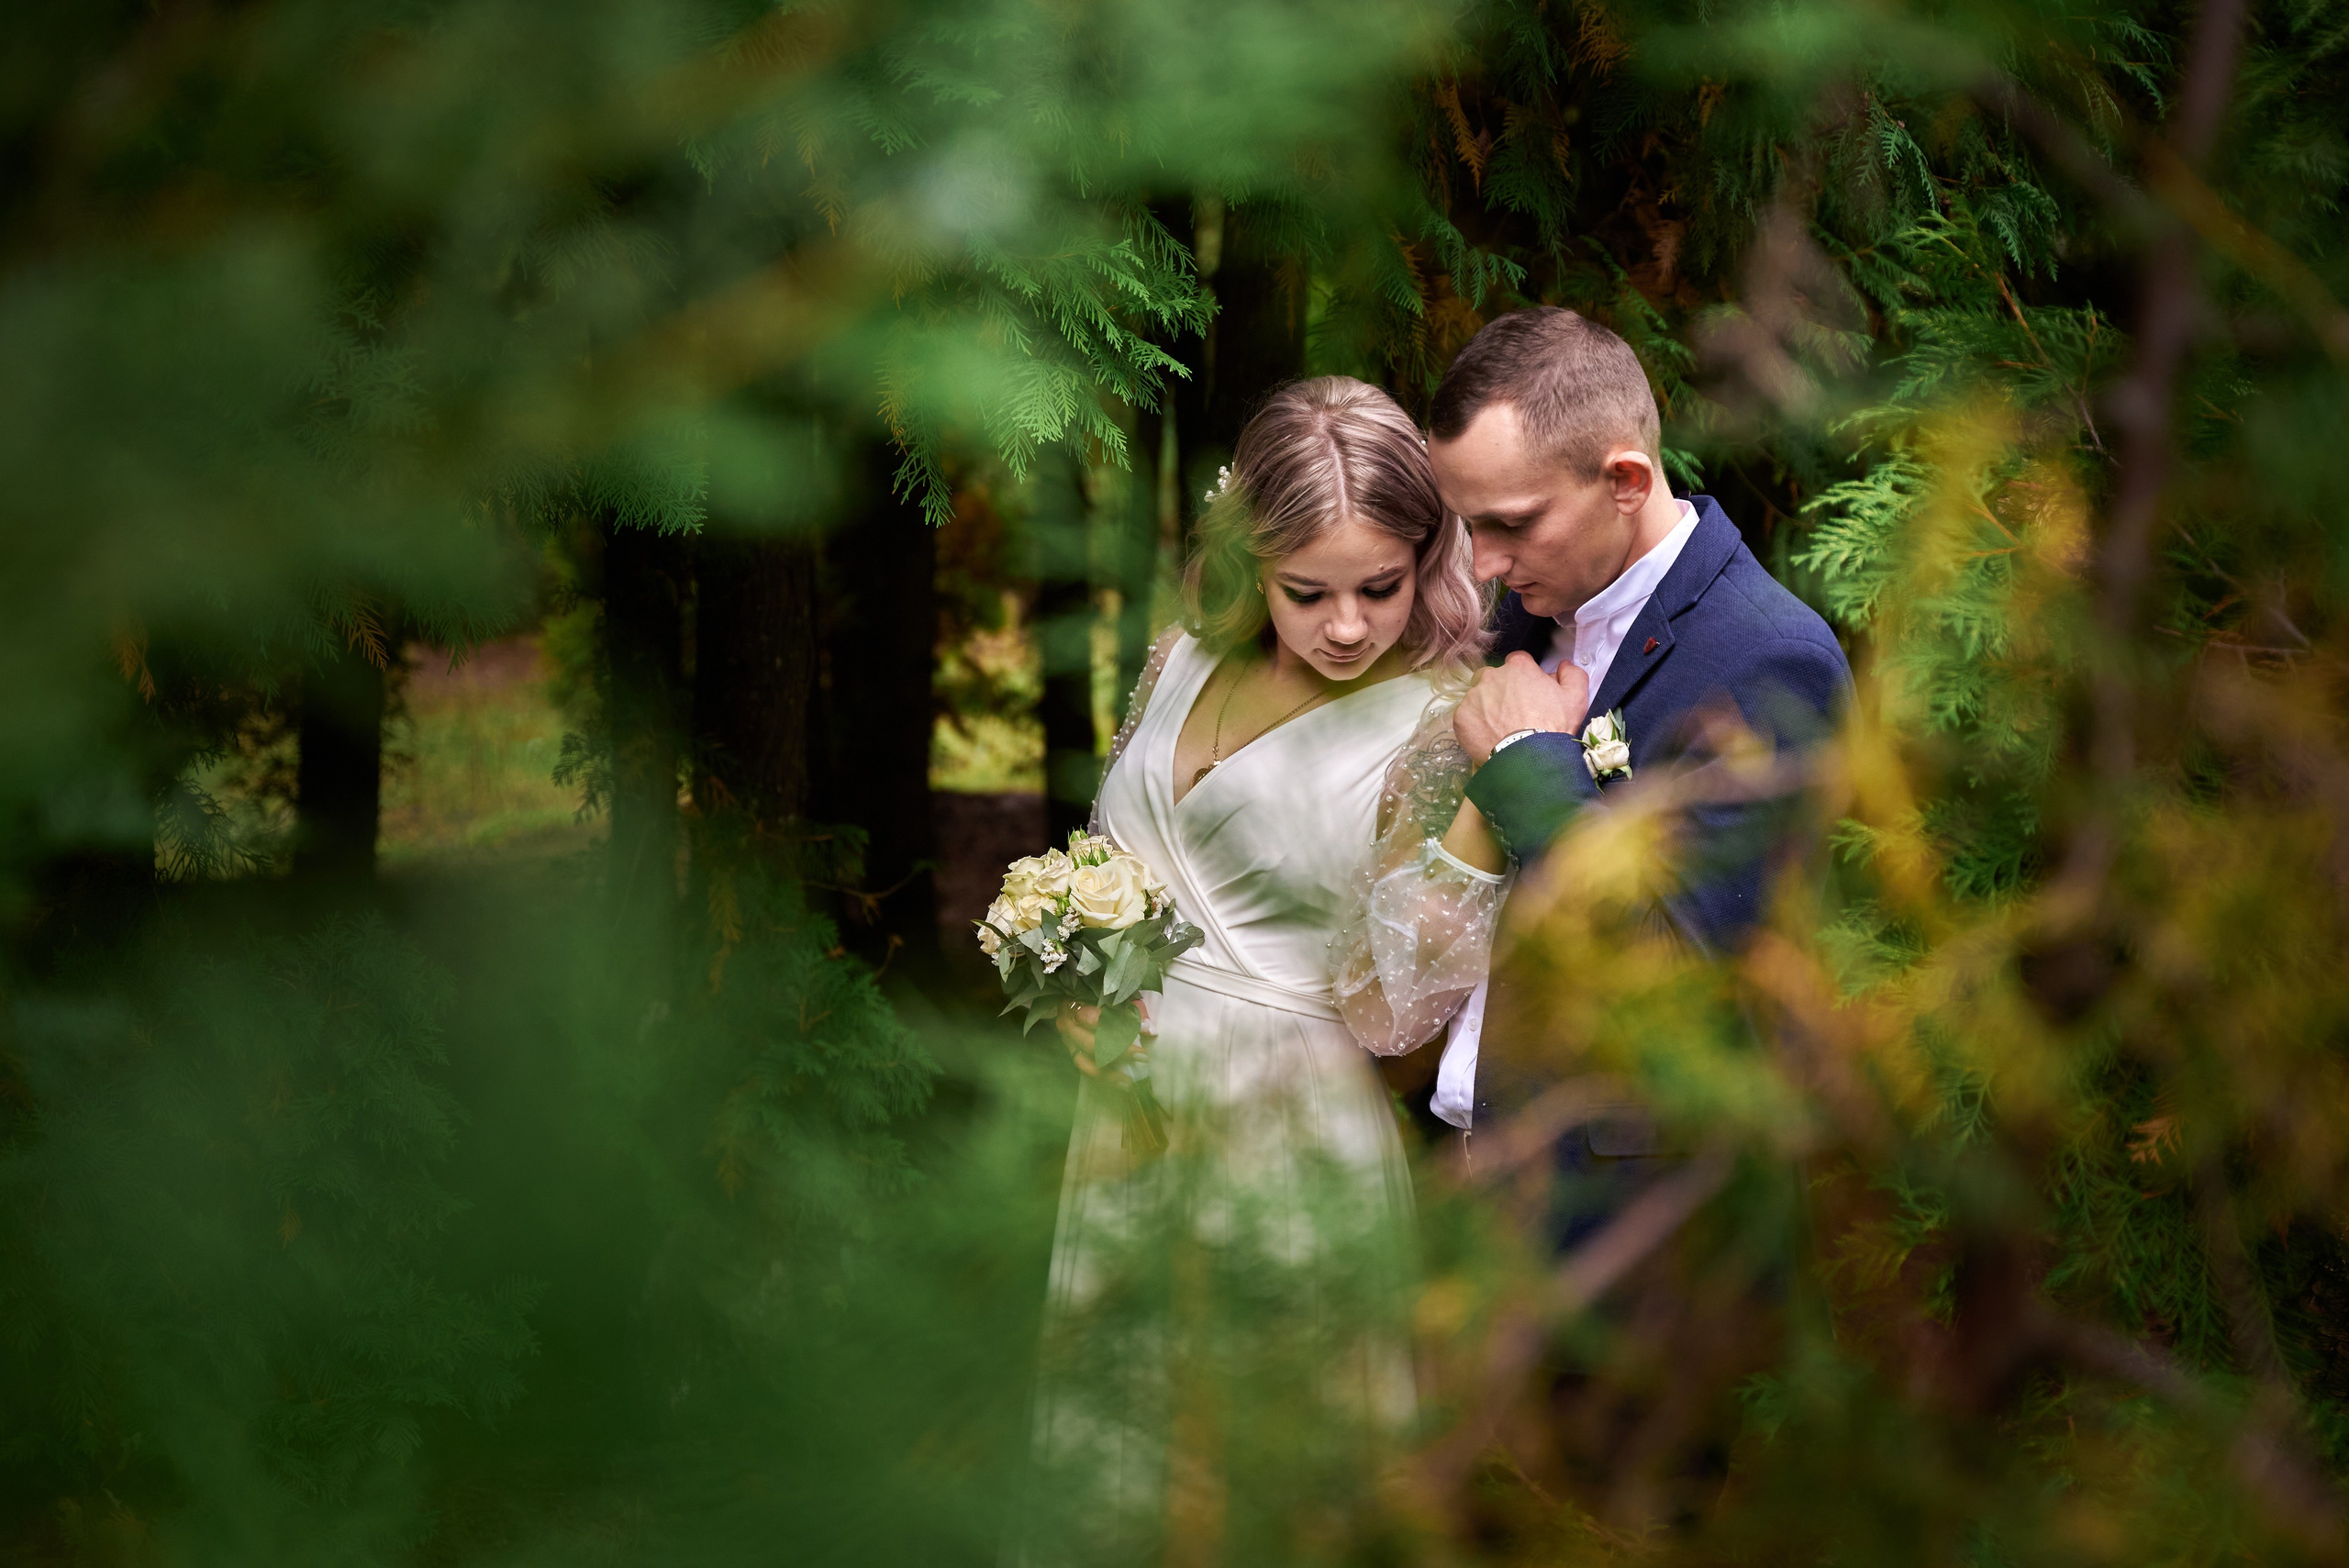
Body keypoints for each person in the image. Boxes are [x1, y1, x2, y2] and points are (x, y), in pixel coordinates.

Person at [1018, 376, 1504, 1563]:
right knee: (1123, 1435)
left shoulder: (1442, 722)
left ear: (1425, 555)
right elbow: (1106, 859)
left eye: (1380, 586)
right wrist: (1074, 970)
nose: (1348, 624)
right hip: (1129, 1106)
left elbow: (1401, 1009)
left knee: (1271, 1460)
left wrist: (1482, 828)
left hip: (1289, 1115)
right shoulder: (1174, 659)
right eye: (1309, 591)